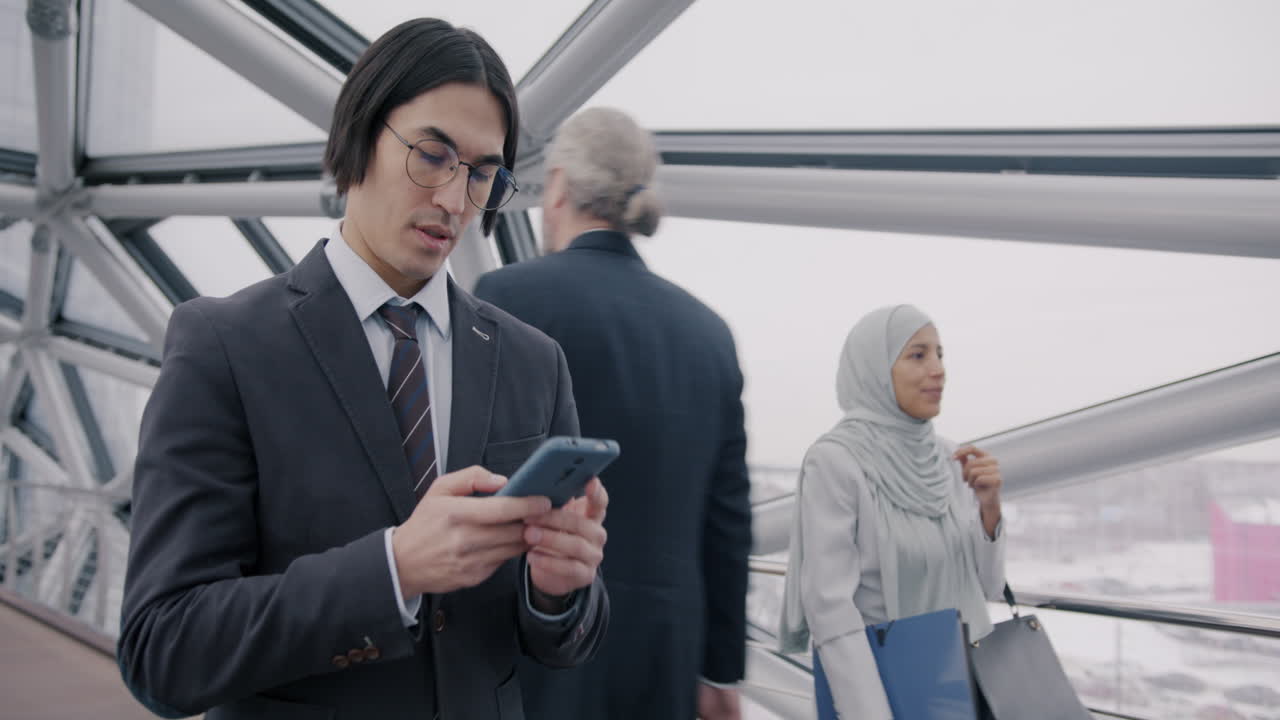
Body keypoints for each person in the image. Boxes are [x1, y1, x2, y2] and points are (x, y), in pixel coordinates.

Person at [117, 19, 609, 720]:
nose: (452, 200)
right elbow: (163, 650)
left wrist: (558, 591)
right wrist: (393, 570)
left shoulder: (533, 362)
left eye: (479, 174)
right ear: (359, 136)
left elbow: (562, 640)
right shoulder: (222, 345)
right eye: (432, 156)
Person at [473, 107, 751, 720]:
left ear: (561, 187)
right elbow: (727, 519)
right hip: (664, 661)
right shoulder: (709, 335)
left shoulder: (505, 301)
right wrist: (719, 669)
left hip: (536, 658)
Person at [778, 304, 1006, 719]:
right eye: (918, 355)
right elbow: (830, 609)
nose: (938, 369)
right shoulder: (836, 461)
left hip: (960, 689)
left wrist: (988, 508)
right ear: (875, 369)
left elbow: (986, 588)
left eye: (940, 353)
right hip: (885, 694)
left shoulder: (943, 457)